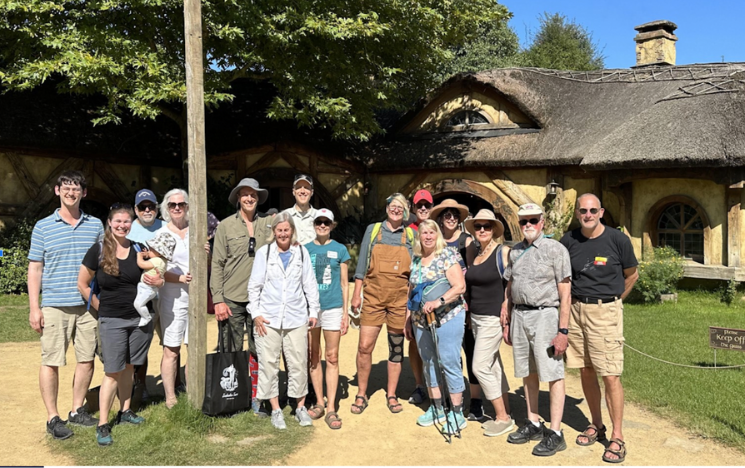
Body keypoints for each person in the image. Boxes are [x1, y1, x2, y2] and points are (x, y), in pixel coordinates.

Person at [560, 193, 639, 464]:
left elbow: (632, 275)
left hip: (605, 312)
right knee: (585, 368)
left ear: (601, 212)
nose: (588, 215)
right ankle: (596, 424)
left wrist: (614, 302)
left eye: (593, 210)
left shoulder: (618, 240)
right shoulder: (569, 240)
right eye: (583, 210)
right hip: (575, 311)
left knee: (610, 375)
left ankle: (617, 436)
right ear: (577, 213)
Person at [77, 204, 162, 446]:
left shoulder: (140, 248)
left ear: (132, 224)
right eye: (118, 221)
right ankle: (103, 423)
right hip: (112, 319)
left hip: (140, 319)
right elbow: (83, 284)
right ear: (110, 223)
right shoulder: (99, 250)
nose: (123, 225)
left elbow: (159, 274)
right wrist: (100, 308)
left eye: (127, 222)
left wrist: (160, 279)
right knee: (112, 371)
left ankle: (125, 411)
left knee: (129, 367)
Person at [28, 171, 104, 440]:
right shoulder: (43, 227)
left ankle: (76, 410)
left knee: (85, 360)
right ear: (57, 191)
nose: (71, 193)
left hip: (87, 307)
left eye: (77, 189)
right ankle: (52, 417)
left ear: (84, 193)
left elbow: (104, 263)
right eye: (66, 188)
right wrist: (34, 308)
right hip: (54, 305)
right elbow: (35, 268)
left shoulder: (95, 225)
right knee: (51, 361)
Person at [502, 202, 572, 457]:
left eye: (533, 220)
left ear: (542, 222)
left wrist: (562, 331)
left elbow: (565, 294)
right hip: (520, 314)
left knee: (552, 372)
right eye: (524, 221)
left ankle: (555, 431)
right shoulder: (515, 251)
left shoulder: (556, 249)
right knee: (527, 370)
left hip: (545, 315)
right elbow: (510, 285)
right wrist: (506, 314)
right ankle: (533, 422)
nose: (528, 225)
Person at [248, 212, 320, 430]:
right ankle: (276, 410)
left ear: (292, 231)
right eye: (279, 230)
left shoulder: (301, 252)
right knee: (269, 363)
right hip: (268, 319)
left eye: (286, 229)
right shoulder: (264, 253)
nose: (282, 233)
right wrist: (256, 314)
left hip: (296, 317)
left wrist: (313, 310)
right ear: (274, 232)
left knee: (298, 362)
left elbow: (310, 283)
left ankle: (299, 407)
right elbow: (254, 286)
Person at [210, 178, 272, 416]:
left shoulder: (269, 223)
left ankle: (259, 397)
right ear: (238, 198)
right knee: (231, 348)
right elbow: (217, 264)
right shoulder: (225, 226)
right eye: (245, 194)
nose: (249, 198)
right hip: (232, 298)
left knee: (260, 349)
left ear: (258, 198)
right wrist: (218, 299)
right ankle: (233, 398)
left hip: (262, 300)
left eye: (253, 195)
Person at [350, 193, 415, 415]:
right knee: (364, 346)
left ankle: (392, 394)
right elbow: (361, 264)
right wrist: (356, 294)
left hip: (399, 300)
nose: (396, 209)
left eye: (400, 207)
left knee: (396, 349)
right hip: (373, 298)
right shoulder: (374, 230)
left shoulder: (411, 235)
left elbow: (415, 272)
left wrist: (409, 306)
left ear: (405, 212)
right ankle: (361, 393)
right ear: (387, 207)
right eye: (392, 205)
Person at [405, 220, 467, 433]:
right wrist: (408, 317)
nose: (428, 236)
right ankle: (437, 407)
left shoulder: (447, 255)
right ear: (419, 237)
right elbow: (412, 289)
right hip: (421, 320)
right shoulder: (416, 259)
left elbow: (460, 286)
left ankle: (457, 411)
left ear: (437, 235)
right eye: (424, 233)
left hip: (448, 316)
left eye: (432, 232)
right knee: (429, 362)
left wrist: (438, 302)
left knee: (449, 360)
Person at [430, 198, 483, 420]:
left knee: (470, 352)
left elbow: (470, 273)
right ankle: (452, 399)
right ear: (441, 219)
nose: (451, 218)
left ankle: (477, 402)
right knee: (448, 355)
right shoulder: (436, 240)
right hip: (441, 308)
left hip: (462, 304)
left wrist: (469, 305)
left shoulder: (466, 241)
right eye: (447, 215)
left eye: (454, 215)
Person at [464, 209, 513, 436]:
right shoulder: (475, 253)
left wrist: (506, 304)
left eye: (487, 226)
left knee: (479, 366)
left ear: (494, 230)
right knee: (492, 365)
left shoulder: (502, 252)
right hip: (476, 318)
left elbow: (513, 281)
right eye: (478, 226)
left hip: (493, 318)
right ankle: (505, 411)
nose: (482, 230)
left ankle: (502, 418)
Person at [305, 209, 351, 429]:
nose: (322, 225)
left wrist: (345, 313)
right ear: (314, 224)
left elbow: (344, 283)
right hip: (311, 309)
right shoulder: (305, 249)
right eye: (318, 222)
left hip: (332, 307)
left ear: (332, 225)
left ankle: (331, 407)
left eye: (326, 222)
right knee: (314, 355)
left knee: (332, 356)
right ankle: (318, 401)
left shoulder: (340, 249)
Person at [126, 188, 166, 401]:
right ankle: (139, 387)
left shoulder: (167, 228)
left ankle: (176, 385)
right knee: (141, 342)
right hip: (141, 294)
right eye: (143, 207)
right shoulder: (128, 230)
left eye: (151, 206)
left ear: (157, 208)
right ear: (135, 209)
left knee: (170, 343)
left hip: (166, 294)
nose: (147, 210)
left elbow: (178, 261)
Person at [157, 188, 192, 408]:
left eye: (181, 204)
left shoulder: (195, 231)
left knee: (193, 347)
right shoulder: (162, 233)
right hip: (172, 297)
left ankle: (191, 392)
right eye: (173, 205)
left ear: (188, 207)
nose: (177, 208)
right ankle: (170, 397)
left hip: (194, 298)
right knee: (171, 349)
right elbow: (156, 269)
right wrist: (179, 278)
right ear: (166, 208)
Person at [406, 189, 433, 405]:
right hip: (413, 289)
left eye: (427, 205)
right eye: (419, 205)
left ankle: (439, 385)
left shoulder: (436, 230)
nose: (423, 208)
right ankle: (419, 385)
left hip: (435, 295)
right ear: (413, 208)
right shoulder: (407, 232)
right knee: (414, 341)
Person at [134, 232, 175, 326]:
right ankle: (145, 316)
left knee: (138, 304)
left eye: (152, 249)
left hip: (147, 288)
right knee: (139, 302)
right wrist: (147, 255)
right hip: (148, 288)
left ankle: (146, 317)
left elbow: (142, 264)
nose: (149, 250)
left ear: (160, 253)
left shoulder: (157, 260)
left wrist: (139, 257)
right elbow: (151, 259)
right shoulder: (161, 260)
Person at [283, 173, 317, 245]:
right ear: (293, 191)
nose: (302, 191)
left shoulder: (319, 216)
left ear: (312, 192)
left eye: (306, 188)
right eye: (298, 187)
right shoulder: (284, 215)